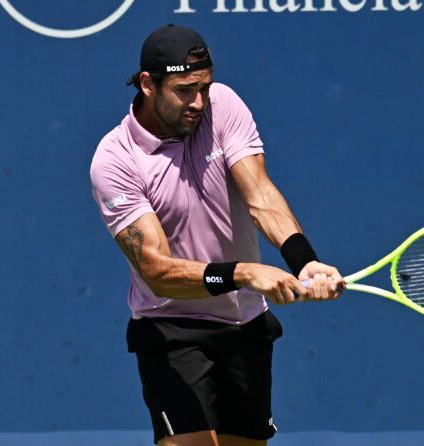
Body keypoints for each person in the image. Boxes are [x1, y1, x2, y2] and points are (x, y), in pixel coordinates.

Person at [90, 24, 344, 446]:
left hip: (245, 323)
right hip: (171, 325)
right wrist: (243, 272)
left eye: (204, 87)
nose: (199, 101)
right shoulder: (115, 160)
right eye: (185, 90)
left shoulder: (222, 106)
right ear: (149, 84)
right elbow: (155, 269)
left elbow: (259, 193)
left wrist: (305, 261)